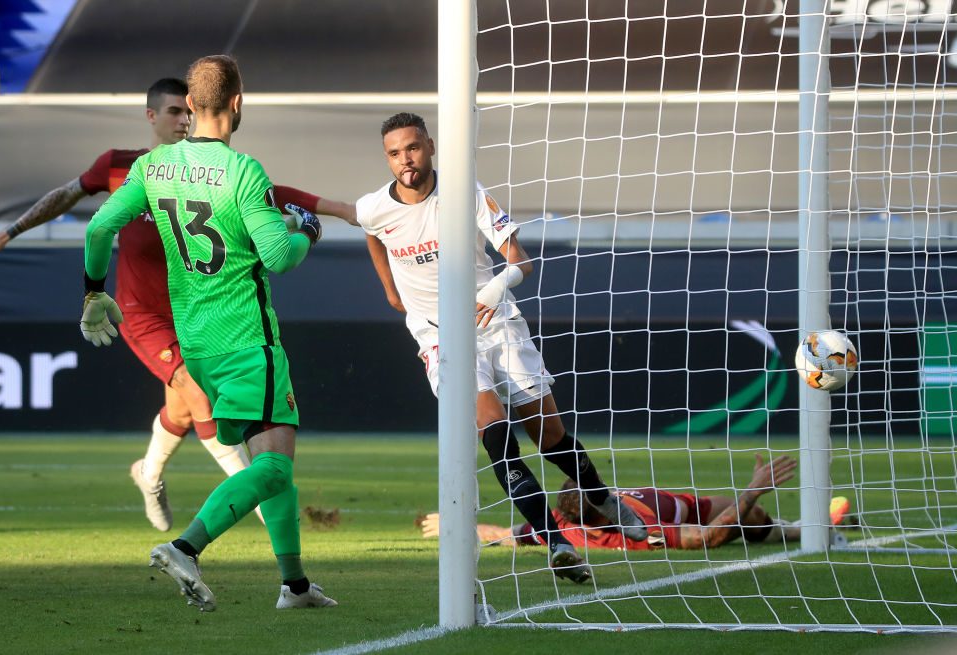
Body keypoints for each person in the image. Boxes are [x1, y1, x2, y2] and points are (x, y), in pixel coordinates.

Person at [0, 78, 352, 534]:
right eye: (173, 112)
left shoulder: (214, 171)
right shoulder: (123, 167)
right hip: (140, 311)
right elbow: (67, 196)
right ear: (151, 116)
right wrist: (8, 232)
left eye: (186, 112)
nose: (183, 120)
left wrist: (343, 209)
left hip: (193, 313)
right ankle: (260, 500)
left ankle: (148, 472)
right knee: (197, 393)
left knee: (183, 411)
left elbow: (275, 191)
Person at [80, 55, 334, 612]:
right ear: (238, 103)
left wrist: (93, 290)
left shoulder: (153, 166)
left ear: (191, 105)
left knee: (272, 464)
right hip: (247, 341)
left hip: (198, 346)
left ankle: (295, 587)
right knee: (274, 466)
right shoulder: (244, 171)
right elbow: (279, 257)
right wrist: (308, 231)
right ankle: (185, 547)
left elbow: (99, 228)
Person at [353, 112, 648, 585]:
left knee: (549, 438)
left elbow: (519, 260)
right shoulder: (376, 206)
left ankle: (600, 497)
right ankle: (557, 542)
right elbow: (368, 226)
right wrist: (390, 288)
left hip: (498, 324)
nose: (404, 160)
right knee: (496, 435)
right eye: (394, 153)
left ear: (430, 146)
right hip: (440, 336)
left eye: (412, 148)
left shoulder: (465, 192)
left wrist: (495, 288)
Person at [422, 455, 852, 550]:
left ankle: (806, 525)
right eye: (600, 494)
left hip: (687, 501)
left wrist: (453, 524)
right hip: (685, 515)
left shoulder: (558, 517)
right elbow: (707, 538)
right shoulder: (633, 532)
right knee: (751, 517)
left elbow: (504, 533)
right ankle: (814, 529)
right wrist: (751, 491)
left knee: (750, 515)